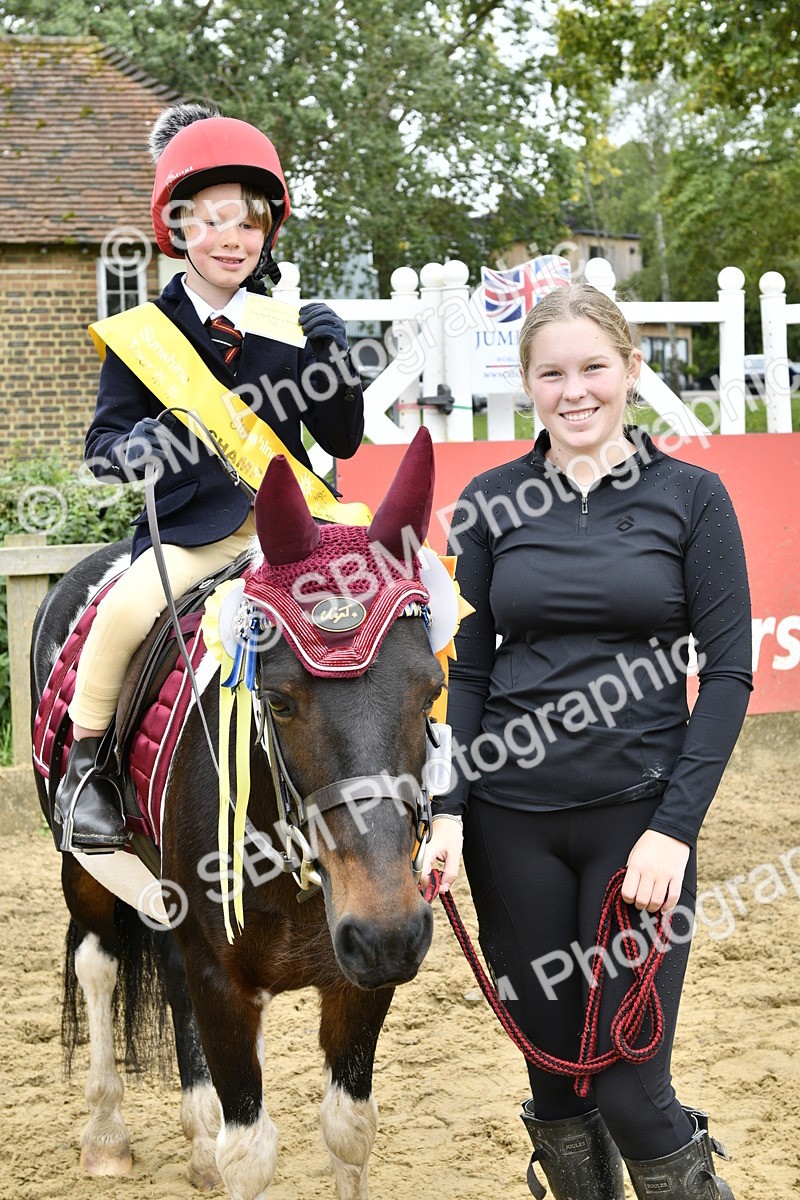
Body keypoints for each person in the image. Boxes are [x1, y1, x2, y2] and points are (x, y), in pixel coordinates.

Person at [421, 282, 751, 1199]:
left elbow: (726, 676)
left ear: (630, 371)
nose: (576, 391)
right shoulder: (488, 501)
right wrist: (447, 812)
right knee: (558, 1084)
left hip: (635, 828)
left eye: (594, 367)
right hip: (507, 826)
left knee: (631, 1087)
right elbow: (468, 673)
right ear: (527, 383)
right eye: (552, 372)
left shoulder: (692, 495)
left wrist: (673, 830)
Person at [55, 103, 365, 852]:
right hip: (194, 534)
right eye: (213, 220)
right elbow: (103, 447)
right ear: (179, 229)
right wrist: (145, 444)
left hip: (290, 533)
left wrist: (332, 365)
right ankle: (88, 770)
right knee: (126, 607)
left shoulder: (288, 326)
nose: (233, 238)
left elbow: (341, 439)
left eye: (250, 223)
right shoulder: (143, 338)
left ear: (267, 235)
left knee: (386, 608)